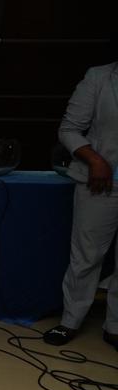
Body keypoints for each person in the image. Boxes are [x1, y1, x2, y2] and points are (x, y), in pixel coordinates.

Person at [45, 55, 118, 349]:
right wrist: (95, 160)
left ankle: (115, 326)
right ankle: (70, 321)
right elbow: (69, 128)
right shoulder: (99, 78)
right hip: (100, 183)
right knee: (86, 257)